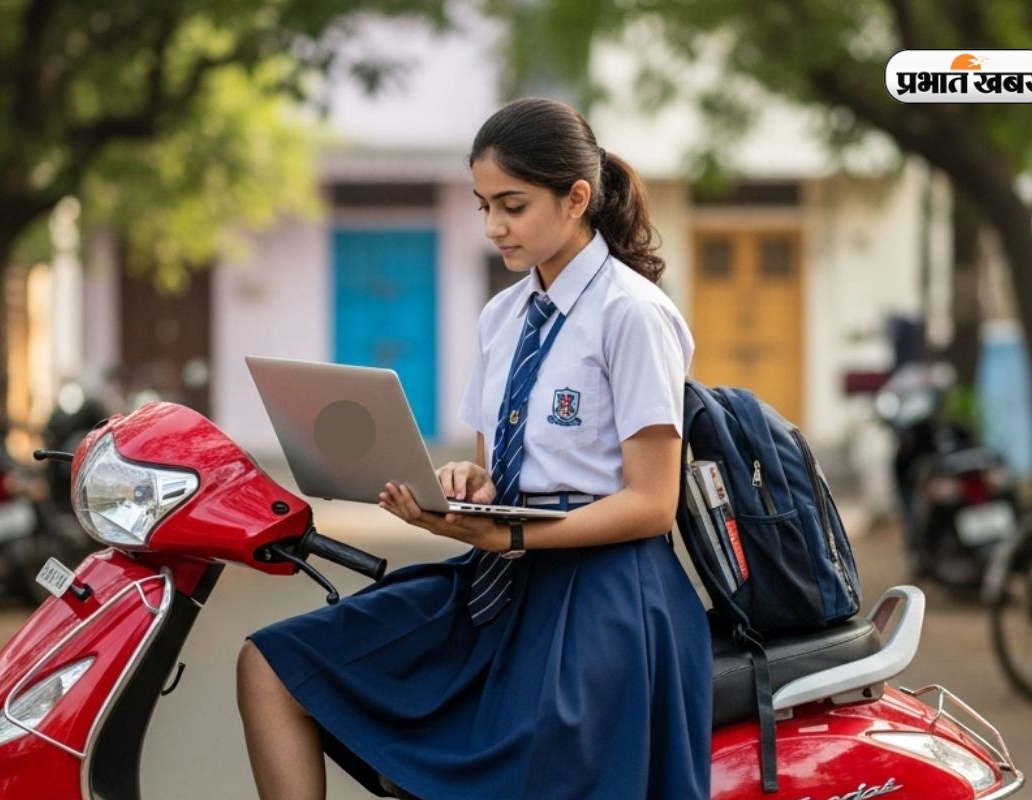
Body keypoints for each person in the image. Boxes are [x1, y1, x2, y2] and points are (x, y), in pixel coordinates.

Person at [237, 97, 713, 800]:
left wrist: (511, 535)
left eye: (512, 206)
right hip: (501, 575)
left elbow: (652, 503)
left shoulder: (633, 314)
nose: (493, 227)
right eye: (483, 205)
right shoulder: (503, 316)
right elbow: (496, 476)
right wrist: (466, 486)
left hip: (603, 596)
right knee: (273, 666)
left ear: (576, 198)